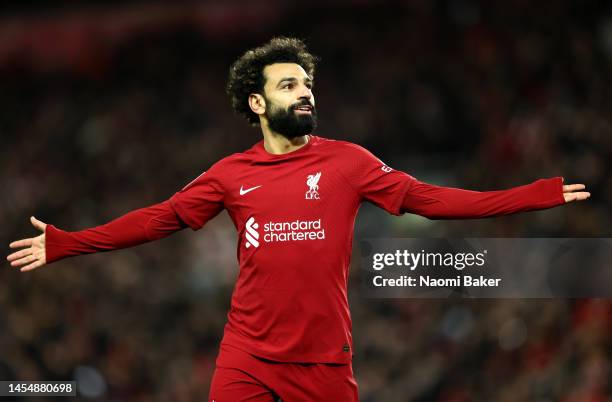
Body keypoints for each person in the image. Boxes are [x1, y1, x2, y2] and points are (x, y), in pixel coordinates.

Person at [6, 37, 590, 401]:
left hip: (323, 360)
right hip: (247, 357)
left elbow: (434, 201)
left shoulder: (349, 162)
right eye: (289, 85)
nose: (305, 93)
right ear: (257, 104)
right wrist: (67, 243)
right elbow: (156, 220)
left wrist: (533, 194)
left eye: (307, 84)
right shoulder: (229, 174)